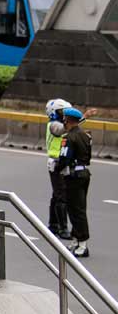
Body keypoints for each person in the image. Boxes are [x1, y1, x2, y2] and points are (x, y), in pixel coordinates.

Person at [44, 99, 97, 240]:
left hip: (61, 163)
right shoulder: (53, 125)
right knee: (61, 197)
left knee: (57, 196)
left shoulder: (63, 125)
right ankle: (62, 228)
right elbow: (65, 129)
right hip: (57, 163)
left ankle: (53, 225)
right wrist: (83, 117)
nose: (64, 117)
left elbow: (70, 127)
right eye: (62, 113)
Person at [59, 107, 92, 258]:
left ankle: (83, 243)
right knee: (78, 207)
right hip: (84, 173)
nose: (63, 121)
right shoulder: (85, 135)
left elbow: (64, 158)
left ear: (68, 120)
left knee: (75, 209)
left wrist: (58, 167)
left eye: (65, 119)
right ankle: (76, 240)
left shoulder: (69, 137)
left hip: (73, 175)